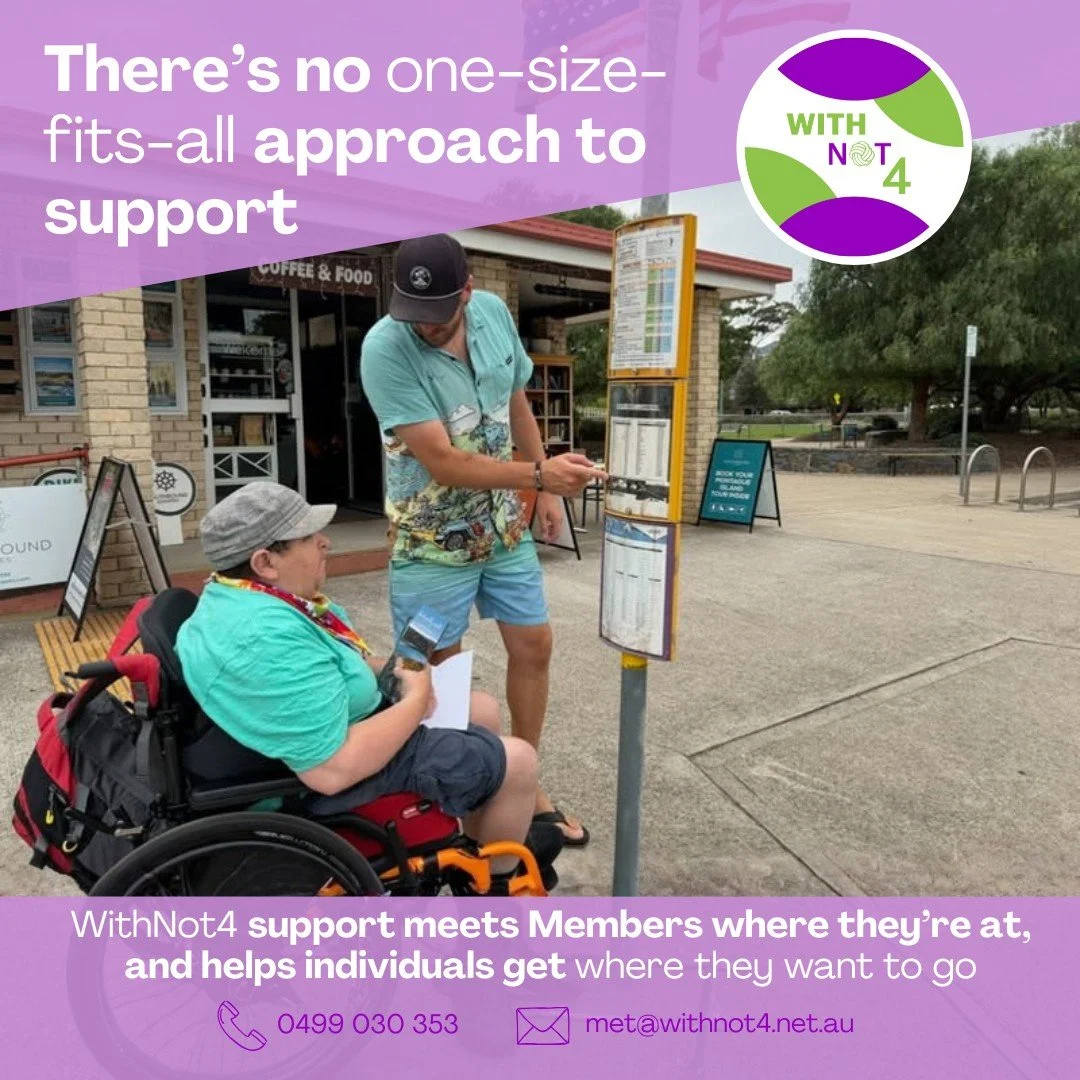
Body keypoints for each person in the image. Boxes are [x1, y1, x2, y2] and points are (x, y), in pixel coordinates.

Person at [175, 481, 554, 883]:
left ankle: (474, 844)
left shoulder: (247, 599)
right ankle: (493, 891)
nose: (325, 542)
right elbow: (331, 770)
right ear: (266, 562)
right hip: (325, 782)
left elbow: (329, 664)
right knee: (519, 761)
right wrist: (416, 698)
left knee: (482, 710)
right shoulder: (263, 638)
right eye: (308, 537)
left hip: (338, 725)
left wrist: (400, 670)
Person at [360, 234, 606, 846]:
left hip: (503, 527)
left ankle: (525, 778)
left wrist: (544, 492)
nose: (424, 326)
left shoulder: (494, 314)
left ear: (467, 292)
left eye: (437, 313)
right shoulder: (384, 348)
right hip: (431, 542)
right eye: (412, 312)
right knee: (438, 672)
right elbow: (442, 462)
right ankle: (456, 801)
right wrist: (540, 476)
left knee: (536, 644)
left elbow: (516, 402)